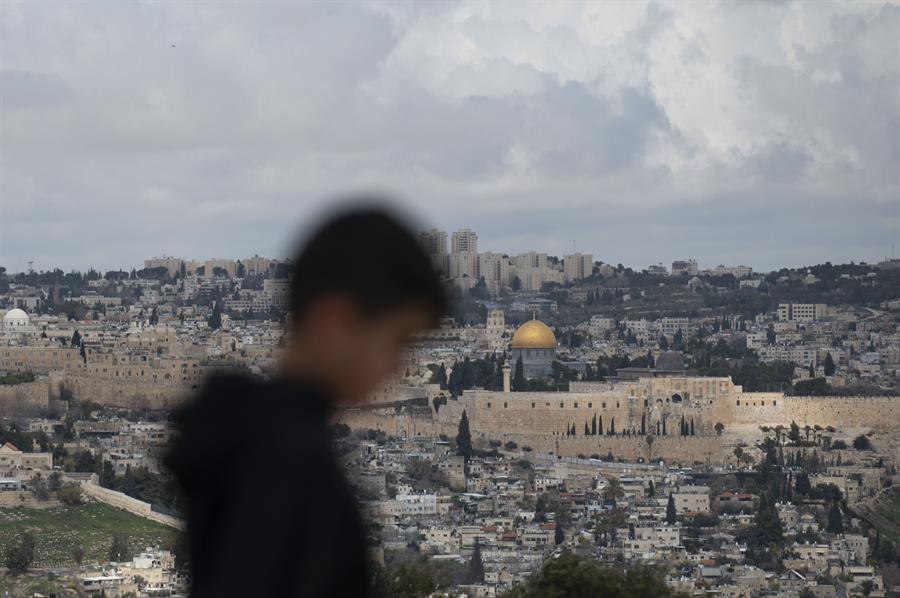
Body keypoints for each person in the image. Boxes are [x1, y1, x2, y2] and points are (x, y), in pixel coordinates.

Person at [166, 207, 446, 597]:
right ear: (335, 319)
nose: (401, 366)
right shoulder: (286, 464)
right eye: (398, 341)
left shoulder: (247, 440)